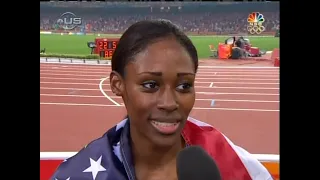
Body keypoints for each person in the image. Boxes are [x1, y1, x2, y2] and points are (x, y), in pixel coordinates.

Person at [51, 19, 273, 180]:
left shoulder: (235, 165)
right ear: (117, 84)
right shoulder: (80, 173)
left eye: (184, 86)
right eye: (150, 85)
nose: (169, 103)